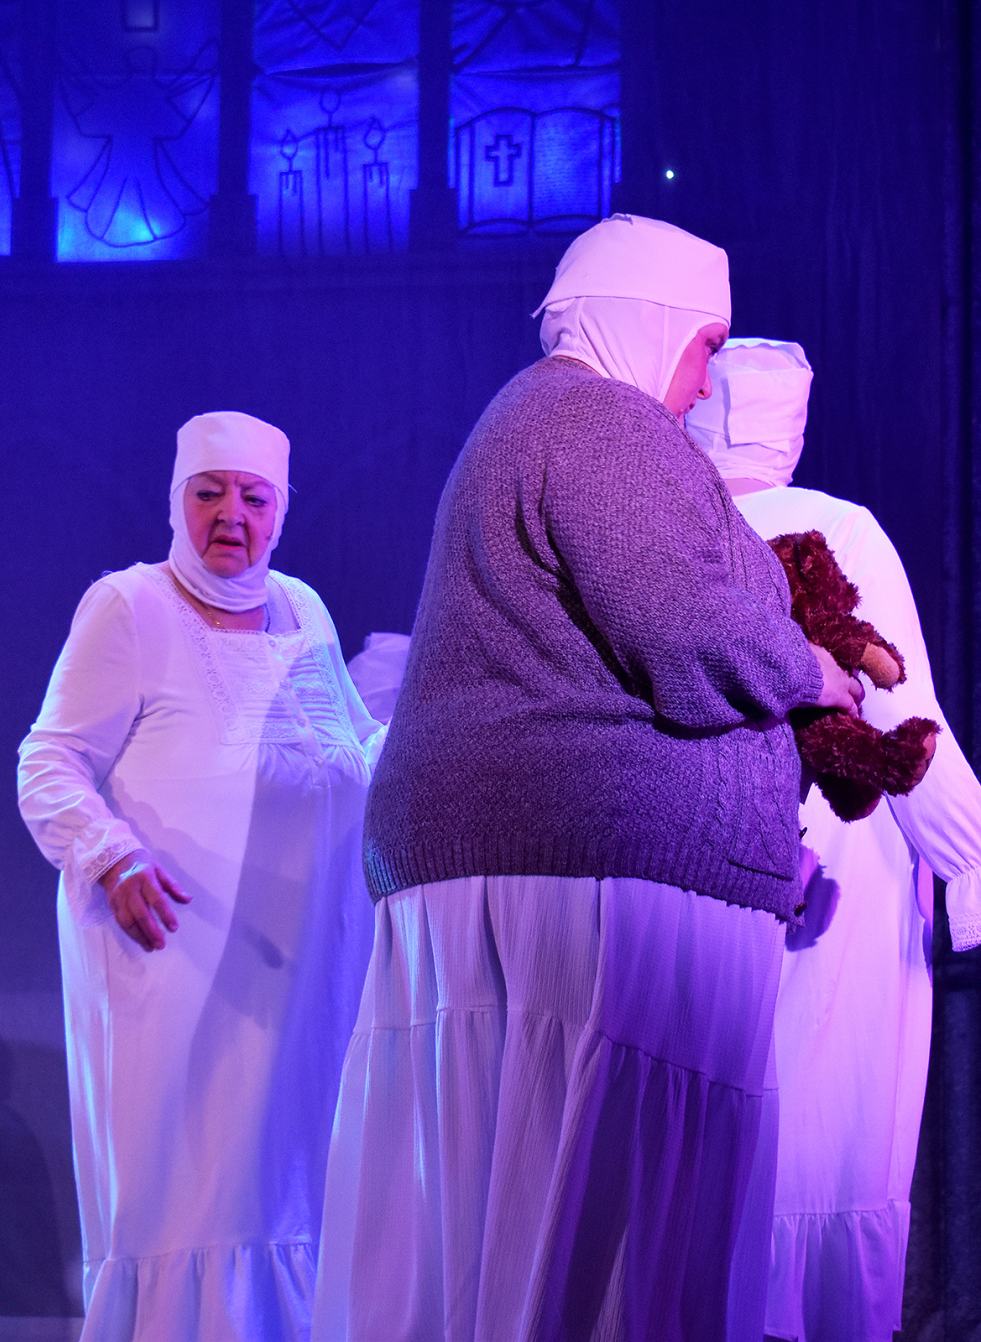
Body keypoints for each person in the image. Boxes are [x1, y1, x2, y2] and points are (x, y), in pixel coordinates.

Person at [311, 215, 863, 1342]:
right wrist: (810, 669)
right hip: (589, 876)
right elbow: (681, 621)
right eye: (705, 345)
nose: (704, 383)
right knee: (605, 1228)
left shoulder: (545, 417)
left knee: (505, 1214)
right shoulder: (599, 417)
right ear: (648, 322)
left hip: (527, 861)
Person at [17, 411, 382, 1342]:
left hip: (302, 980)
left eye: (254, 498)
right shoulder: (129, 607)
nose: (232, 516)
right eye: (209, 493)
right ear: (176, 501)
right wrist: (110, 854)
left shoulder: (304, 610)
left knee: (295, 1189)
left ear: (282, 511)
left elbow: (355, 747)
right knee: (187, 1203)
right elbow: (48, 760)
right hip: (174, 967)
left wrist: (446, 727)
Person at [686, 338, 981, 1342]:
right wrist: (971, 862)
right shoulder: (838, 527)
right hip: (843, 860)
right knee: (832, 1130)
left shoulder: (669, 534)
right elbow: (902, 716)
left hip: (706, 858)